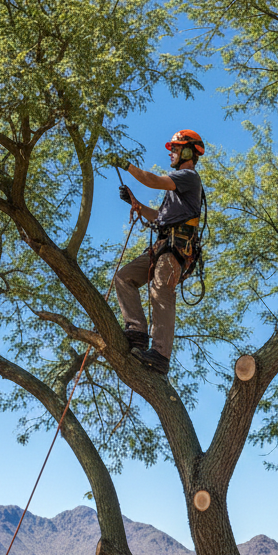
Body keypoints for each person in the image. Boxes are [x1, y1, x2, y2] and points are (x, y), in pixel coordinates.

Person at [108, 130, 206, 376]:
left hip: (176, 249)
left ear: (188, 152)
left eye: (175, 149)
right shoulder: (176, 191)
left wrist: (126, 165)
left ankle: (160, 354)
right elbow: (159, 218)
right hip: (162, 246)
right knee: (124, 277)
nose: (171, 153)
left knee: (160, 289)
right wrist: (135, 204)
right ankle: (136, 331)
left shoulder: (188, 177)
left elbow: (151, 180)